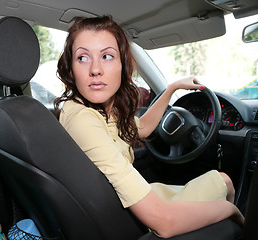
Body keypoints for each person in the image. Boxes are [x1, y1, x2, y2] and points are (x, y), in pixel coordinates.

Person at [54, 16, 244, 238]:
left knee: (224, 181)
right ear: (71, 67)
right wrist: (231, 212)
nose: (95, 69)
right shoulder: (82, 119)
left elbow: (142, 127)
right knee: (226, 189)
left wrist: (171, 88)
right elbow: (162, 221)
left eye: (106, 56)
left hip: (140, 196)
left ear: (122, 65)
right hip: (138, 214)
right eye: (83, 57)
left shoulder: (100, 110)